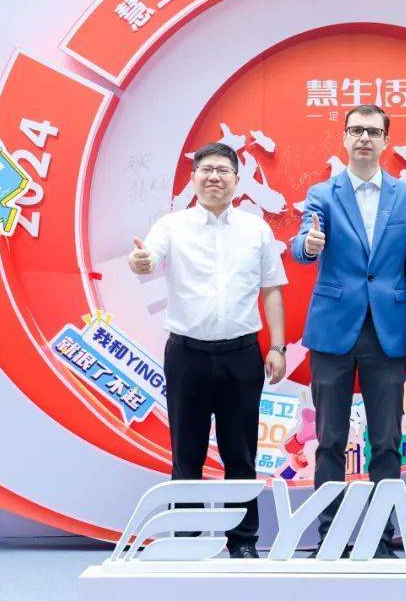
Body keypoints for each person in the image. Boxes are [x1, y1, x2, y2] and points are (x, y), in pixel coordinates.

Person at [128, 142, 288, 559]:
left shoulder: (256, 229)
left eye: (223, 170)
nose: (214, 177)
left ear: (237, 179)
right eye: (206, 170)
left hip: (242, 355)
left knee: (241, 454)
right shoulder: (171, 226)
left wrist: (277, 346)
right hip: (188, 356)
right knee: (187, 453)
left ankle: (244, 541)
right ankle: (187, 539)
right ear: (194, 178)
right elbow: (148, 258)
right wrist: (140, 261)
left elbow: (272, 290)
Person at [291, 104, 406, 559]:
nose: (364, 138)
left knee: (386, 441)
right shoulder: (322, 193)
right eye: (356, 130)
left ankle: (382, 537)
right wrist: (309, 245)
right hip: (333, 329)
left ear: (386, 140)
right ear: (345, 138)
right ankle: (329, 536)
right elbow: (303, 242)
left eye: (373, 131)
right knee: (329, 439)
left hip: (388, 331)